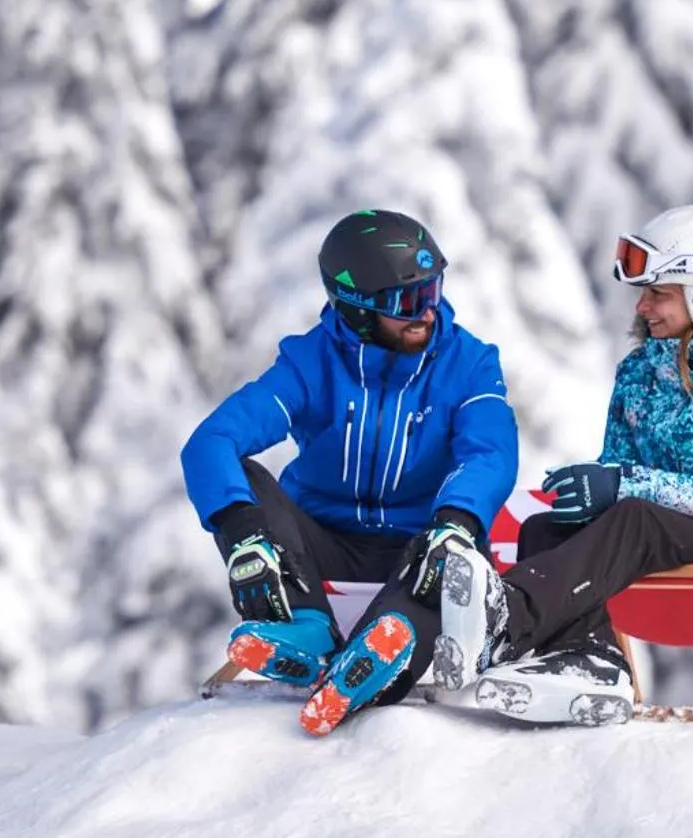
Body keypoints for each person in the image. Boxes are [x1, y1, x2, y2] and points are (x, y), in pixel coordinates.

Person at [428, 204, 693, 726]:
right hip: (669, 547)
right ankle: (591, 661)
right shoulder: (639, 371)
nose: (644, 307)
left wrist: (623, 485)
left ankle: (506, 617)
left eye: (659, 293)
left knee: (635, 516)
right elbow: (620, 478)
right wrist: (596, 489)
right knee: (550, 524)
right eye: (643, 293)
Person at [180, 208, 519, 737]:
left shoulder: (469, 362)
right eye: (408, 302)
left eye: (432, 292)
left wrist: (455, 521)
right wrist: (242, 531)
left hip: (420, 544)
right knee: (243, 475)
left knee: (450, 562)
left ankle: (390, 644)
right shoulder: (310, 362)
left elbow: (490, 453)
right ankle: (305, 628)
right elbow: (212, 441)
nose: (427, 314)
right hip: (320, 543)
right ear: (358, 309)